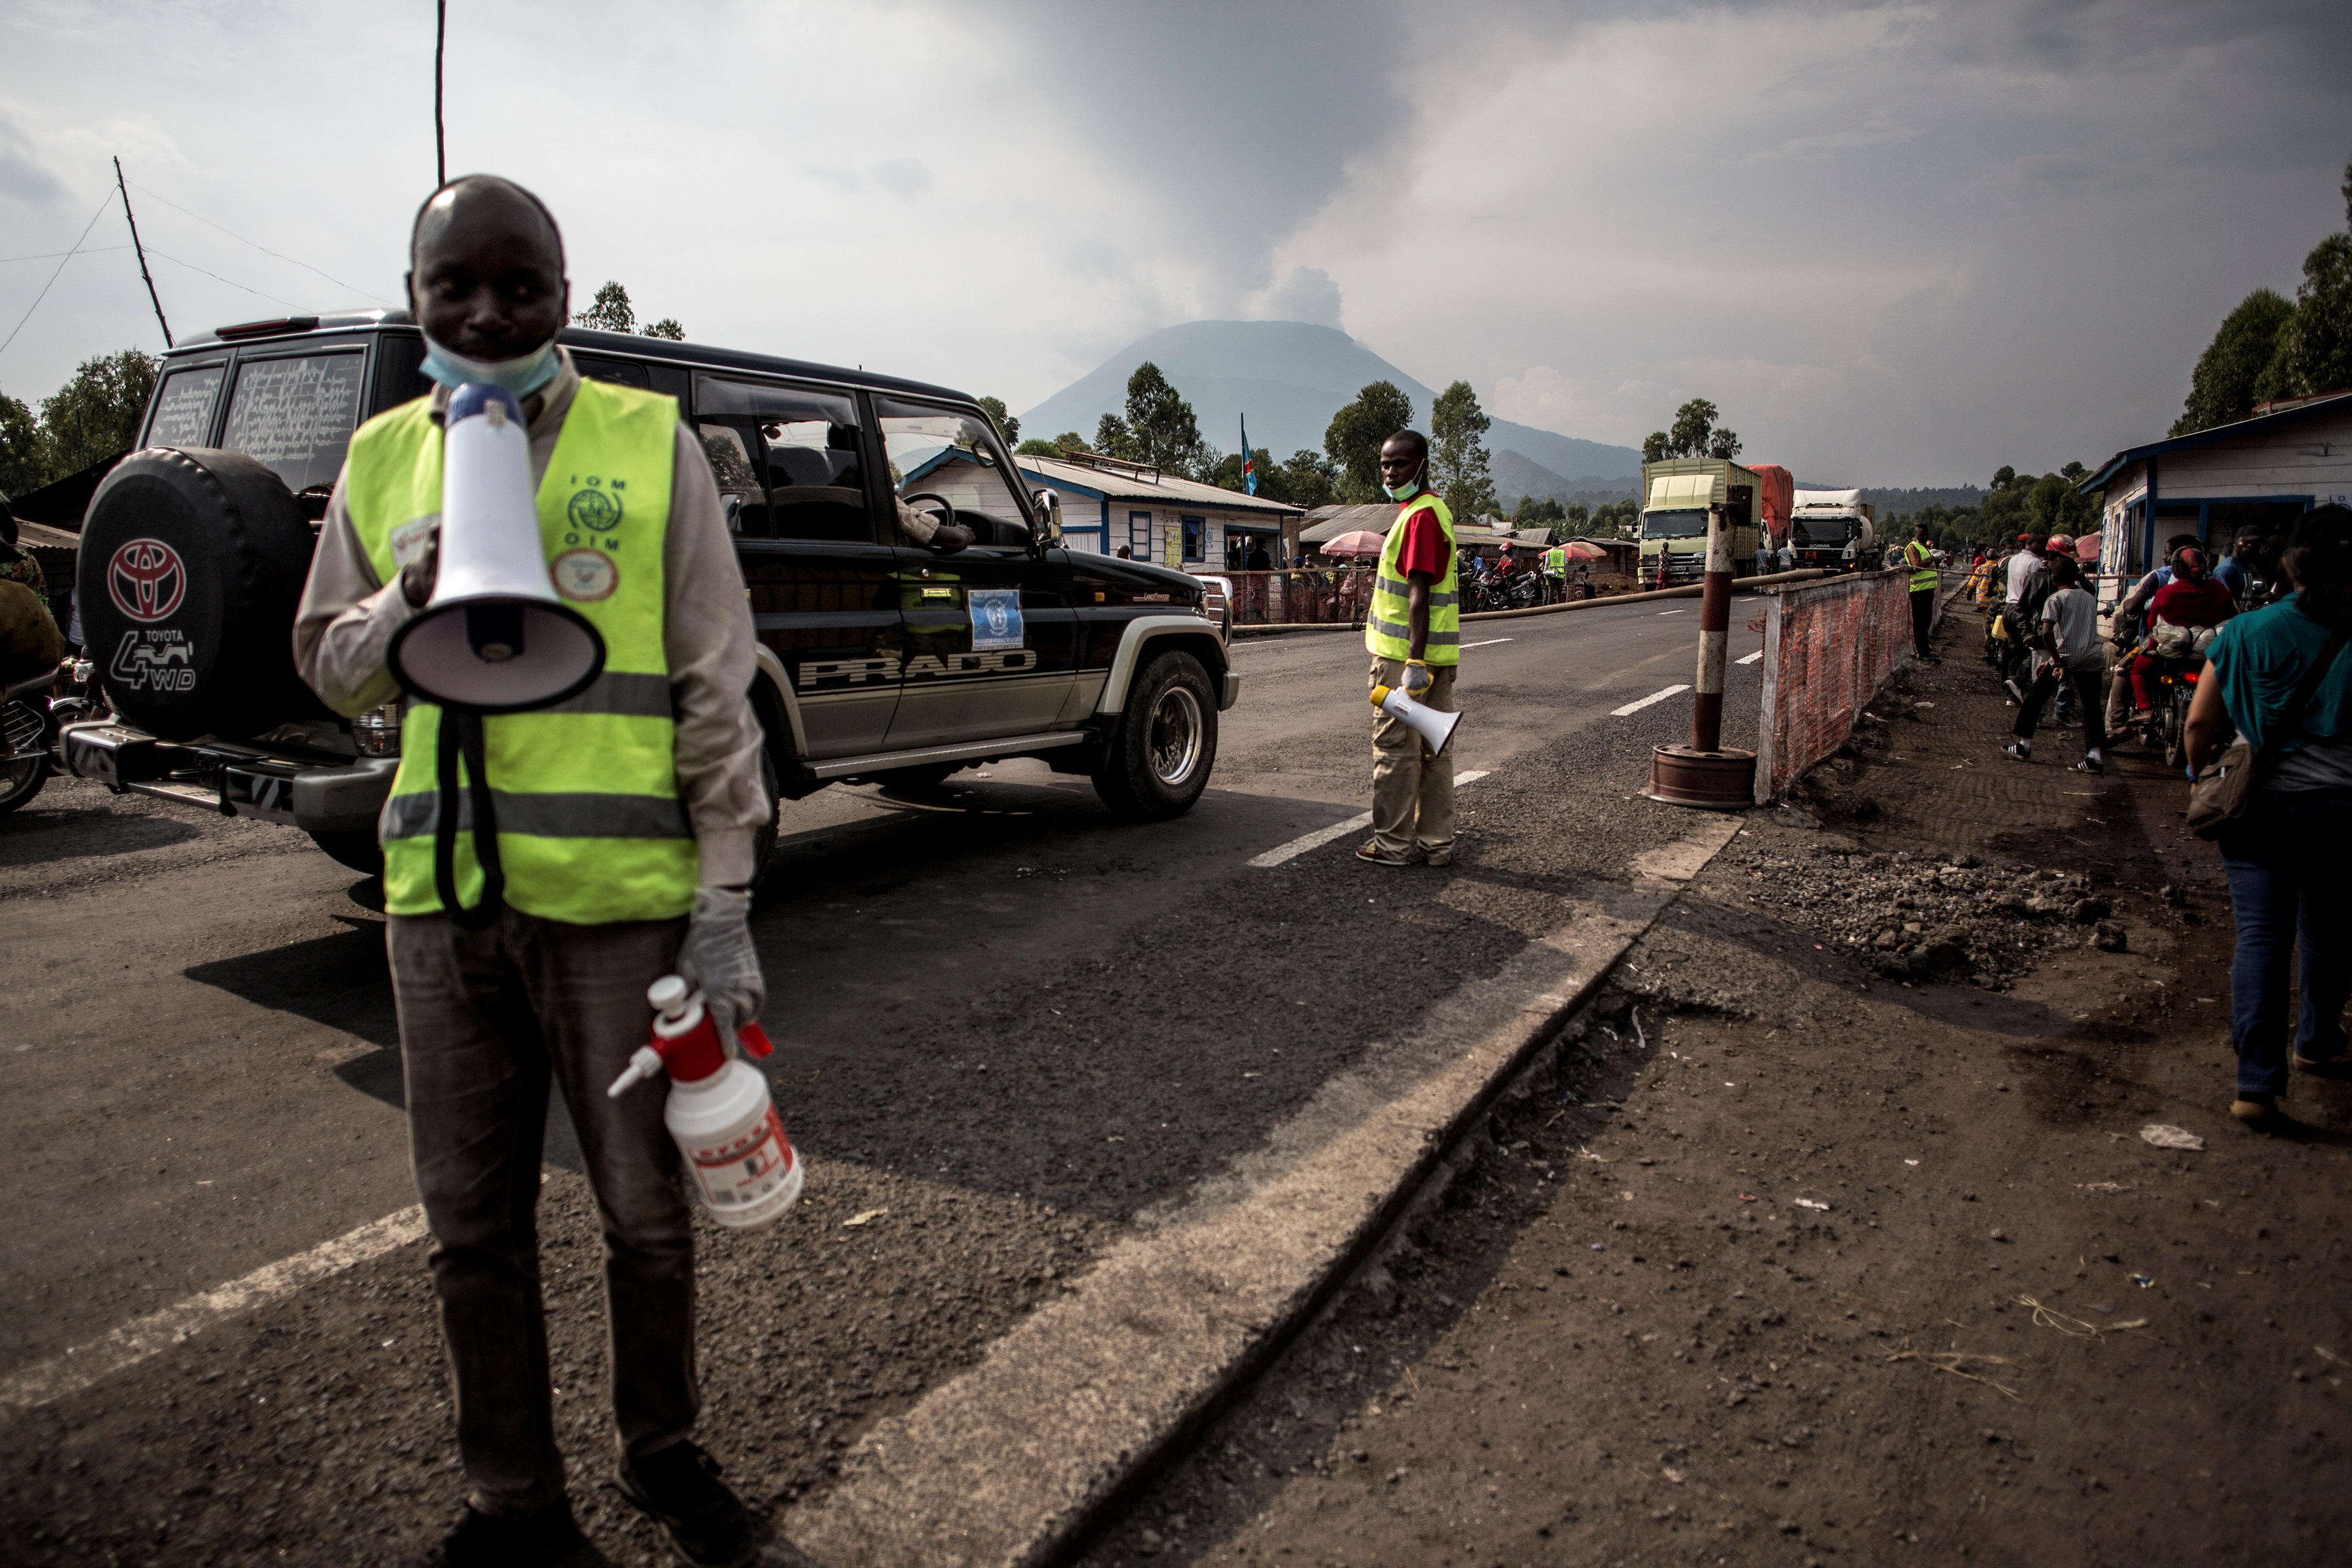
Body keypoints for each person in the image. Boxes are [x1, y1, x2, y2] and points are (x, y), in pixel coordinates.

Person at [292, 176, 773, 1568]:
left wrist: (725, 893)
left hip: (620, 918)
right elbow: (326, 667)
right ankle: (513, 1503)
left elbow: (713, 679)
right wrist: (401, 600)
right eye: (458, 285)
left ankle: (661, 1449)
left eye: (522, 285)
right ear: (416, 298)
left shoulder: (649, 441)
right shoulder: (385, 456)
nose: (491, 312)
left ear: (568, 296)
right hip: (439, 917)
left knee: (645, 1218)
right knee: (471, 1235)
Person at [2184, 504, 2352, 1126]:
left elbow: (2199, 724)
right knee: (2329, 932)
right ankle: (2316, 1041)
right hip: (2339, 811)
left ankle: (2255, 1084)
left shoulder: (2243, 632)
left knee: (2260, 938)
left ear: (2289, 562)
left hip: (2257, 810)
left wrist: (2199, 777)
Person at [1359, 429, 1458, 868]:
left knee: (1396, 750)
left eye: (1400, 463)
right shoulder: (1435, 510)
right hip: (1436, 658)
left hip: (1407, 663)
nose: (1391, 471)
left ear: (1422, 464)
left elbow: (1419, 593)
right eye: (1385, 463)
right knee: (1434, 751)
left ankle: (1393, 845)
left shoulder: (1418, 516)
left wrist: (1413, 661)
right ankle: (1438, 844)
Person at [2001, 556, 2107, 772]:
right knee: (2092, 708)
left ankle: (2024, 745)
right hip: (2092, 657)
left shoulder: (2055, 599)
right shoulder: (2089, 598)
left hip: (2066, 658)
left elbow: (2048, 633)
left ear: (2054, 577)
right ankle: (2094, 757)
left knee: (2034, 698)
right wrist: (2052, 661)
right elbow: (2076, 634)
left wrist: (2056, 662)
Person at [2132, 546, 2236, 716]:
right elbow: (2232, 617)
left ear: (2177, 569)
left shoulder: (2167, 593)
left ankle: (2146, 710)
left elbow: (2153, 624)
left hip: (2171, 653)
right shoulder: (2218, 589)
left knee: (2138, 670)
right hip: (2208, 653)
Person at [1904, 522, 1938, 661]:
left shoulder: (1924, 547)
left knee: (1926, 622)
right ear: (1915, 535)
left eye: (1926, 535)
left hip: (1927, 590)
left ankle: (1926, 650)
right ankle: (1922, 652)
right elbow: (1917, 566)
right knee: (1920, 623)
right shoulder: (1912, 547)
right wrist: (1933, 558)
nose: (1924, 537)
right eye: (1921, 535)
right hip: (1919, 591)